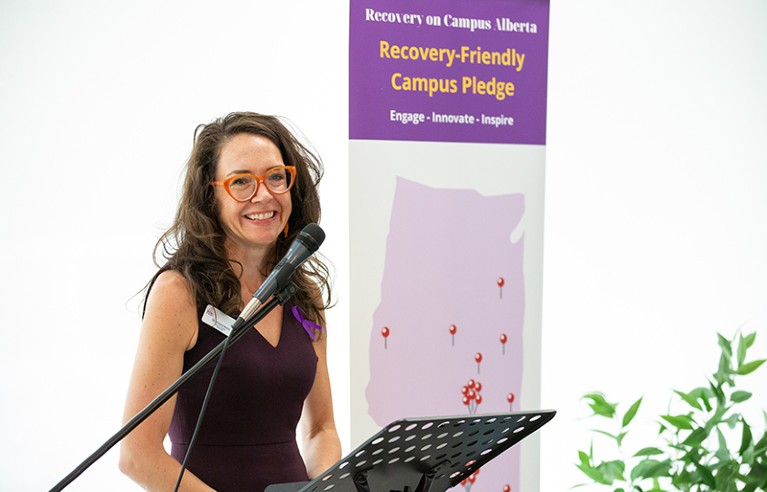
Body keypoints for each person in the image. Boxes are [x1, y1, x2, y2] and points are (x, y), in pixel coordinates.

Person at [119, 112, 341, 491]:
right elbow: (138, 455)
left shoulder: (306, 294)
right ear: (211, 196)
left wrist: (324, 485)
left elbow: (321, 429)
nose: (264, 194)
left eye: (276, 176)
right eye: (242, 182)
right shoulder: (180, 293)